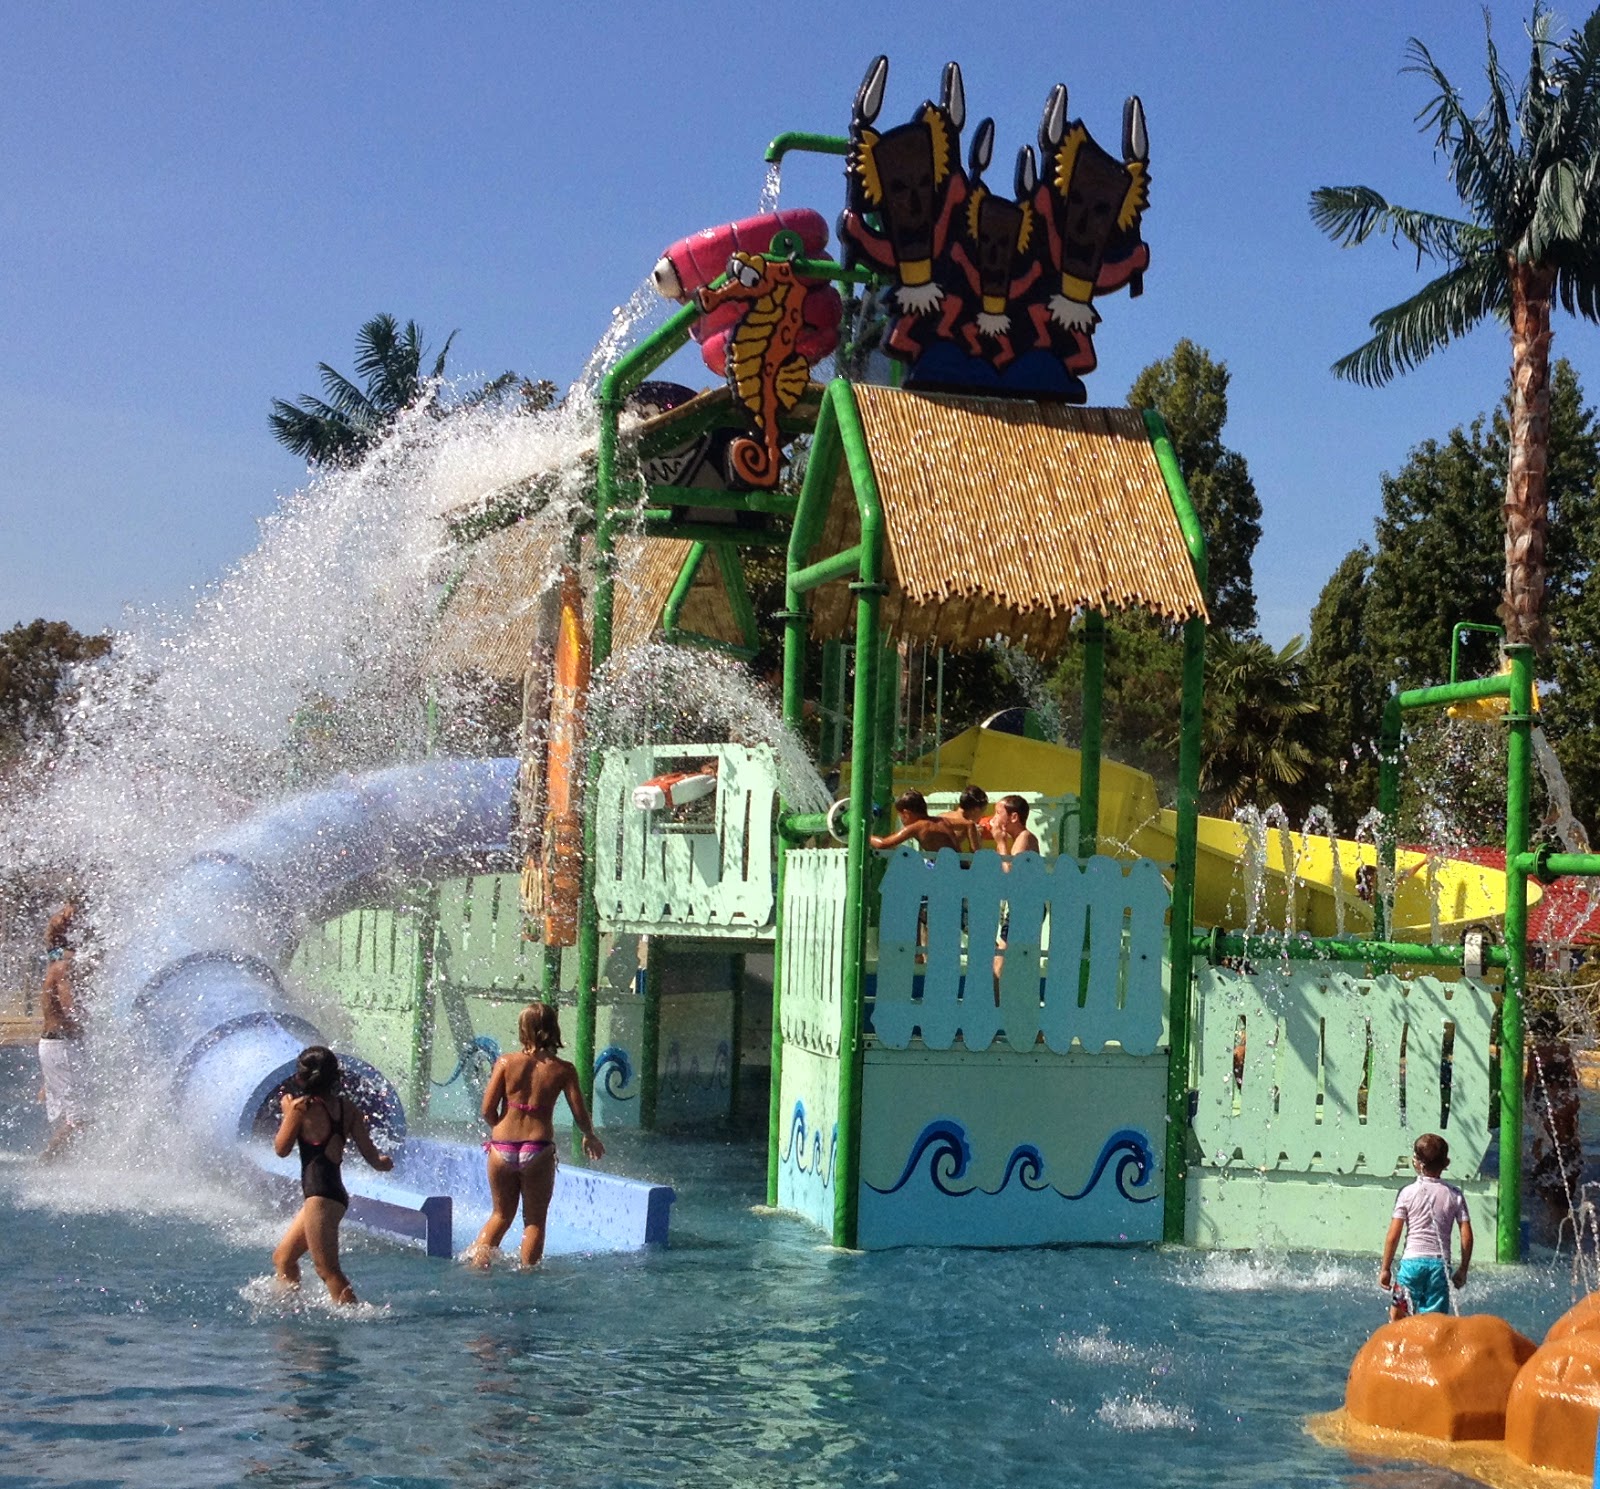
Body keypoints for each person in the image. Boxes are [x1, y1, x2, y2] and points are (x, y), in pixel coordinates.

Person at [468, 1003, 604, 1269]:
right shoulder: (563, 1070)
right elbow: (579, 1112)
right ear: (554, 1029)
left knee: (500, 1215)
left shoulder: (506, 1063)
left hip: (501, 1147)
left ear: (523, 1030)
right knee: (534, 1221)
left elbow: (486, 1109)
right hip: (538, 1149)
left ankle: (477, 1268)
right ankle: (528, 1274)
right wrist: (589, 1135)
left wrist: (499, 1125)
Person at [272, 1046, 394, 1305]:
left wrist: (287, 1114)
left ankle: (356, 1316)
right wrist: (385, 1163)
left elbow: (281, 1149)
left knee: (327, 1270)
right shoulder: (347, 1108)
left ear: (300, 1077)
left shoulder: (299, 1108)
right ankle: (288, 1308)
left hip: (319, 1198)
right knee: (284, 1258)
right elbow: (372, 1157)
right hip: (334, 1195)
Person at [1378, 1132, 1473, 1321]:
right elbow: (1467, 1235)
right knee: (1434, 1323)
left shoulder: (1407, 1193)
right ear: (1446, 1164)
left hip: (1411, 1265)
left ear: (1416, 1162)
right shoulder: (1454, 1195)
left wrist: (1386, 1268)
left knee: (1398, 1317)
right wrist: (1463, 1268)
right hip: (1440, 1267)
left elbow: (1393, 1235)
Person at [38, 900, 87, 1161]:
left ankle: (54, 1161)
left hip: (57, 1046)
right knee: (79, 1119)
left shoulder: (54, 965)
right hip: (61, 1046)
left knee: (77, 1116)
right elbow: (71, 1012)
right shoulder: (64, 969)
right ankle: (47, 1163)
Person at [990, 796, 1042, 1003]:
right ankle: (1003, 1017)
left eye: (997, 813)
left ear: (1013, 816)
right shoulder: (1019, 840)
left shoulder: (1025, 839)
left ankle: (1003, 1018)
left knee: (1004, 965)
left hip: (1025, 910)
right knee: (1003, 964)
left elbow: (1011, 875)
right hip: (1019, 909)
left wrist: (1000, 842)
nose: (993, 818)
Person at [869, 789, 966, 854]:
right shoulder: (940, 821)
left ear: (906, 813)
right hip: (961, 866)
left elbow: (883, 844)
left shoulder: (918, 826)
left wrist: (862, 834)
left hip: (947, 870)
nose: (902, 820)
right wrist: (975, 851)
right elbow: (969, 824)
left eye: (901, 816)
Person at [940, 785, 989, 852]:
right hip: (948, 859)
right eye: (983, 811)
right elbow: (975, 853)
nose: (983, 814)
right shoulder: (968, 824)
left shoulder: (942, 816)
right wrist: (978, 837)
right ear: (976, 810)